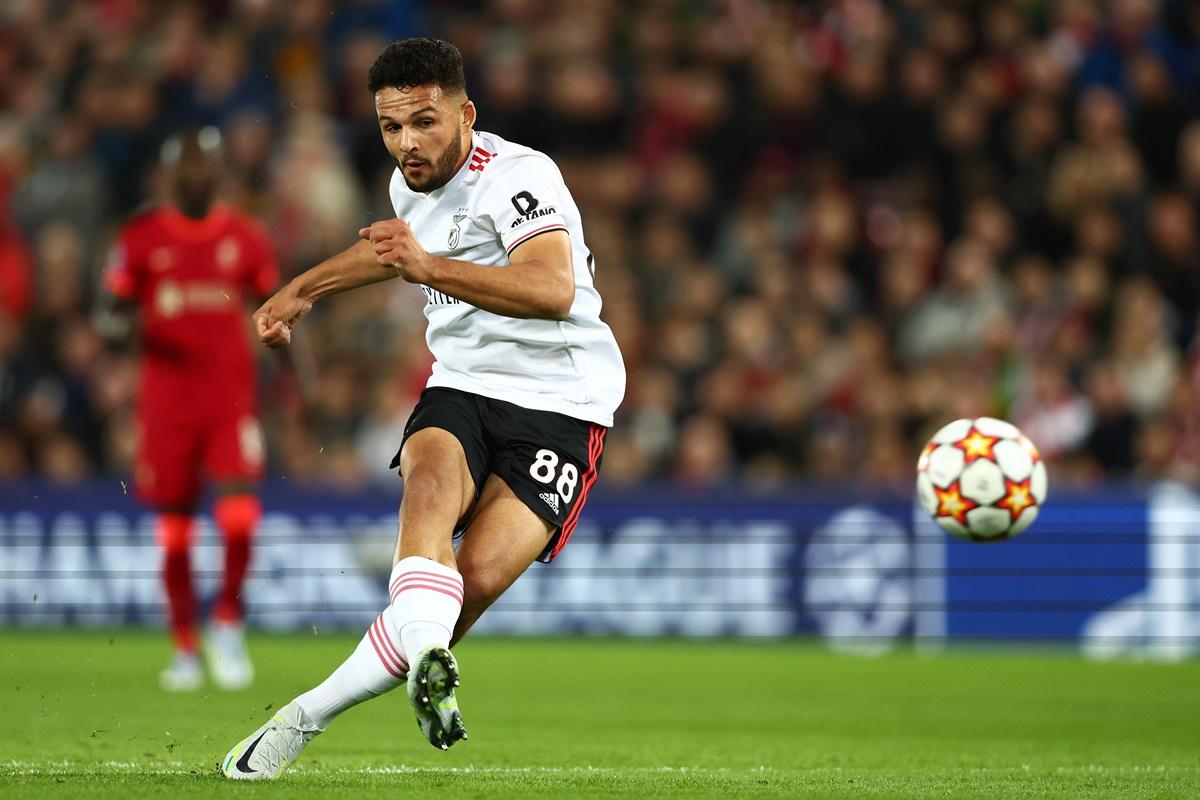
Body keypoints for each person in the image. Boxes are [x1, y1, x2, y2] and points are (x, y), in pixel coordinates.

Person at [221, 38, 624, 779]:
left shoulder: (518, 177)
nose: (408, 143)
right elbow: (391, 250)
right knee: (427, 489)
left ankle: (304, 713)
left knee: (463, 590)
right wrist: (303, 289)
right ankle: (425, 663)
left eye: (425, 123)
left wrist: (429, 268)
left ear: (465, 114)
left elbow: (553, 289)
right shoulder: (409, 184)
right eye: (390, 127)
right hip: (464, 384)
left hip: (565, 405)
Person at [98, 128, 279, 692]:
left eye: (206, 168)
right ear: (170, 176)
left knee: (240, 514)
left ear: (219, 174)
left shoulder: (245, 239)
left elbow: (274, 314)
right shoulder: (142, 237)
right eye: (187, 169)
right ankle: (183, 646)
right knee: (174, 530)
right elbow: (108, 317)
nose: (197, 177)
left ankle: (226, 621)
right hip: (166, 404)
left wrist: (298, 380)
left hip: (229, 399)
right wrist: (129, 324)